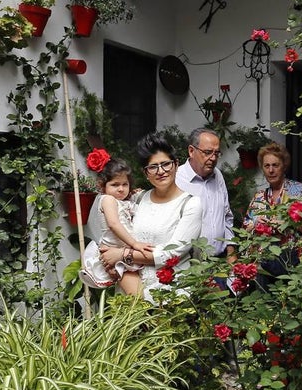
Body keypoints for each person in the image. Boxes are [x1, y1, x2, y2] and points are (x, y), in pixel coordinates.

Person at [99, 133, 202, 301]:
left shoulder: (191, 204)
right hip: (130, 291)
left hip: (170, 294)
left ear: (176, 165)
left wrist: (122, 254)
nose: (160, 171)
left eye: (166, 164)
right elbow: (114, 226)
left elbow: (172, 253)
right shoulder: (137, 199)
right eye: (153, 167)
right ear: (146, 173)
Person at [80, 158, 154, 295]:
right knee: (137, 295)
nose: (121, 189)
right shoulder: (107, 199)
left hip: (124, 254)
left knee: (133, 295)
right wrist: (135, 243)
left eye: (125, 184)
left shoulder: (123, 201)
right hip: (115, 253)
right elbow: (114, 224)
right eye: (115, 185)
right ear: (103, 186)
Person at [176, 128, 236, 261]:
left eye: (217, 153)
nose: (213, 158)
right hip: (190, 266)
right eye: (208, 152)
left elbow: (226, 216)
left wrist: (231, 257)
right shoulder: (176, 179)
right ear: (191, 151)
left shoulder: (218, 175)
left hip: (220, 262)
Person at [244, 142, 302, 228]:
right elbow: (246, 227)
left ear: (284, 166)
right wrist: (256, 224)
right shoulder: (258, 197)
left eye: (275, 165)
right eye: (266, 166)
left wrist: (287, 224)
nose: (271, 170)